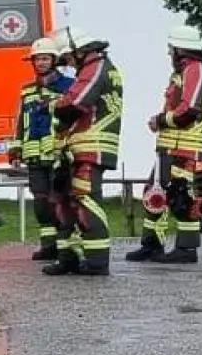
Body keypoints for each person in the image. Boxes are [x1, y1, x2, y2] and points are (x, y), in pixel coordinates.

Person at [128, 25, 202, 263]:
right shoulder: (184, 72)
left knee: (181, 196)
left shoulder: (195, 69)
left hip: (184, 147)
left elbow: (190, 109)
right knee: (153, 194)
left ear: (180, 50)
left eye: (171, 49)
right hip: (169, 146)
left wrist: (160, 120)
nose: (169, 54)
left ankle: (187, 249)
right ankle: (152, 245)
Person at [44, 26, 123, 276]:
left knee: (86, 200)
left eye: (68, 58)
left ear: (78, 51)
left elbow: (76, 102)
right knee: (65, 201)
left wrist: (53, 105)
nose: (68, 64)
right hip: (79, 146)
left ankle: (97, 261)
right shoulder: (95, 68)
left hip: (91, 146)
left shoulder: (96, 67)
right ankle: (69, 257)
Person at [7, 37, 73, 261]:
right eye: (37, 59)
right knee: (41, 204)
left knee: (59, 201)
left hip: (58, 154)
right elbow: (21, 121)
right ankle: (48, 246)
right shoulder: (27, 90)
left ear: (54, 60)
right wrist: (15, 149)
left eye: (45, 58)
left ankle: (65, 246)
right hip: (34, 155)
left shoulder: (69, 86)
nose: (41, 63)